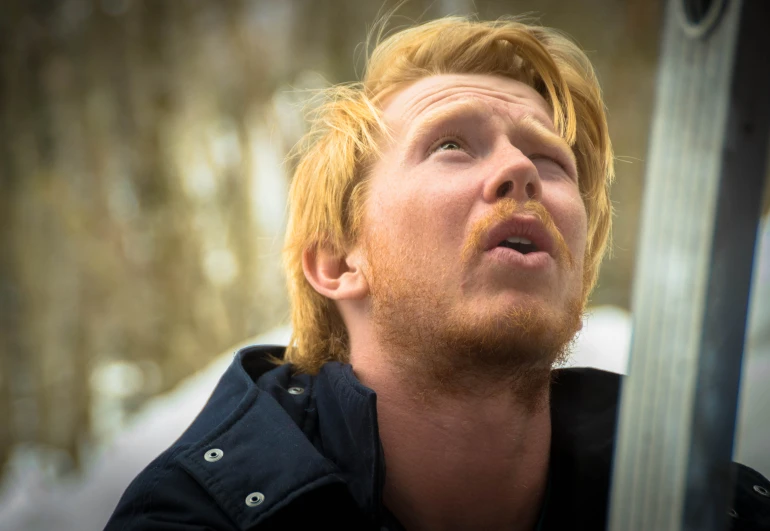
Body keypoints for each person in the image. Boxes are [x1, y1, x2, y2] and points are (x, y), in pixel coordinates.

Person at [105, 15, 770, 531]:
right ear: (337, 261)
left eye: (551, 158)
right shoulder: (195, 518)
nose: (522, 172)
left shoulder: (722, 509)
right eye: (451, 144)